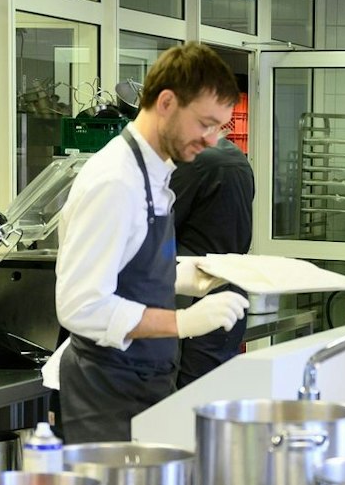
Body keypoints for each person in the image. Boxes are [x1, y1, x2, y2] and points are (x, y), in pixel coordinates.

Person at [46, 43, 249, 443]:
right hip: (104, 392)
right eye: (204, 123)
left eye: (219, 128)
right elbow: (81, 306)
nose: (211, 140)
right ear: (168, 102)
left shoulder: (154, 174)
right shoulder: (114, 182)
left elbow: (128, 266)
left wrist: (183, 278)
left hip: (144, 380)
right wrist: (182, 322)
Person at [169, 134, 255, 388]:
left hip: (196, 291)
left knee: (187, 396)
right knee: (212, 391)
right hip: (231, 288)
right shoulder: (235, 155)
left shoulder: (194, 161)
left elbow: (159, 225)